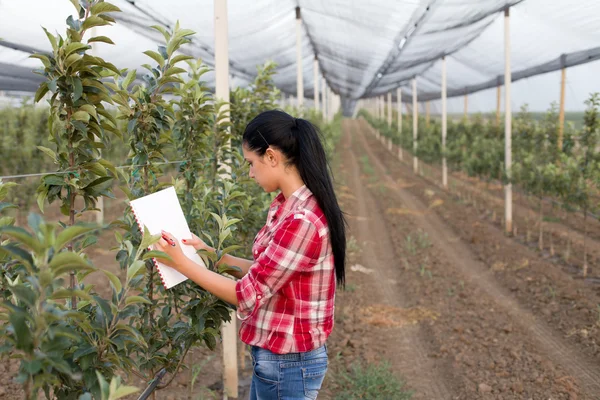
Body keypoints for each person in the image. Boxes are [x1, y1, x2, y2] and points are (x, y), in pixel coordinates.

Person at [155, 109, 346, 400]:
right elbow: (264, 271)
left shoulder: (301, 222)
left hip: (289, 364)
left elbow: (246, 294)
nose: (250, 173)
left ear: (271, 157)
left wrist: (182, 264)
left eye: (251, 163)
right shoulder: (287, 207)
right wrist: (210, 254)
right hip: (278, 358)